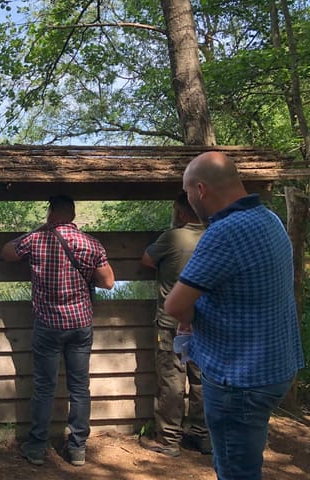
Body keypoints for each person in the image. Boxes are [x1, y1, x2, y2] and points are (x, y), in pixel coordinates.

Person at [164, 151, 304, 480]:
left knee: (235, 470)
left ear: (201, 190)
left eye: (186, 192)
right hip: (275, 368)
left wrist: (189, 319)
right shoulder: (269, 219)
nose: (187, 199)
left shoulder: (224, 232)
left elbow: (174, 305)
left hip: (238, 379)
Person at [1, 195, 114, 467]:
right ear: (73, 215)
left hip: (48, 324)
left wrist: (37, 229)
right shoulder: (91, 244)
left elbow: (6, 252)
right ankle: (77, 449)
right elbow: (109, 282)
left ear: (51, 213)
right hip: (80, 323)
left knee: (44, 386)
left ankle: (37, 447)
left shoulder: (37, 240)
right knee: (79, 387)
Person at [139, 192, 210, 457]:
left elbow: (147, 259)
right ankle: (201, 436)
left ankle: (169, 440)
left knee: (171, 379)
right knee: (202, 380)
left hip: (172, 322)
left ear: (180, 213)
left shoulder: (172, 237)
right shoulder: (214, 235)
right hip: (205, 323)